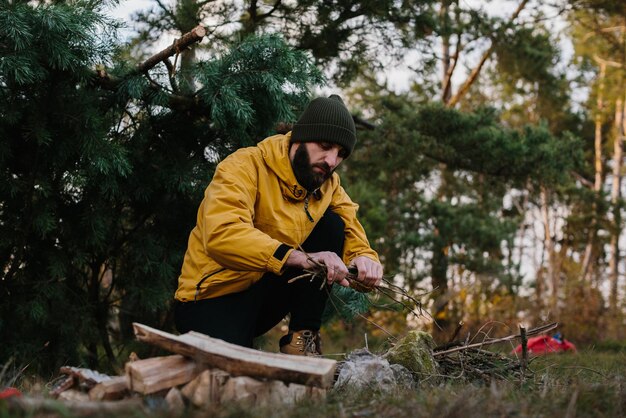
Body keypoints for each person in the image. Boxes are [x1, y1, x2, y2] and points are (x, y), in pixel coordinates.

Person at [174, 94, 383, 355]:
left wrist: (365, 261)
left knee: (332, 224)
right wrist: (302, 258)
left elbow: (352, 231)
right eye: (325, 145)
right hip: (211, 299)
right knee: (235, 379)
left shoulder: (329, 186)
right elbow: (222, 236)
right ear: (300, 137)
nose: (331, 161)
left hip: (263, 295)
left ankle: (302, 341)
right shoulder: (245, 165)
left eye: (340, 154)